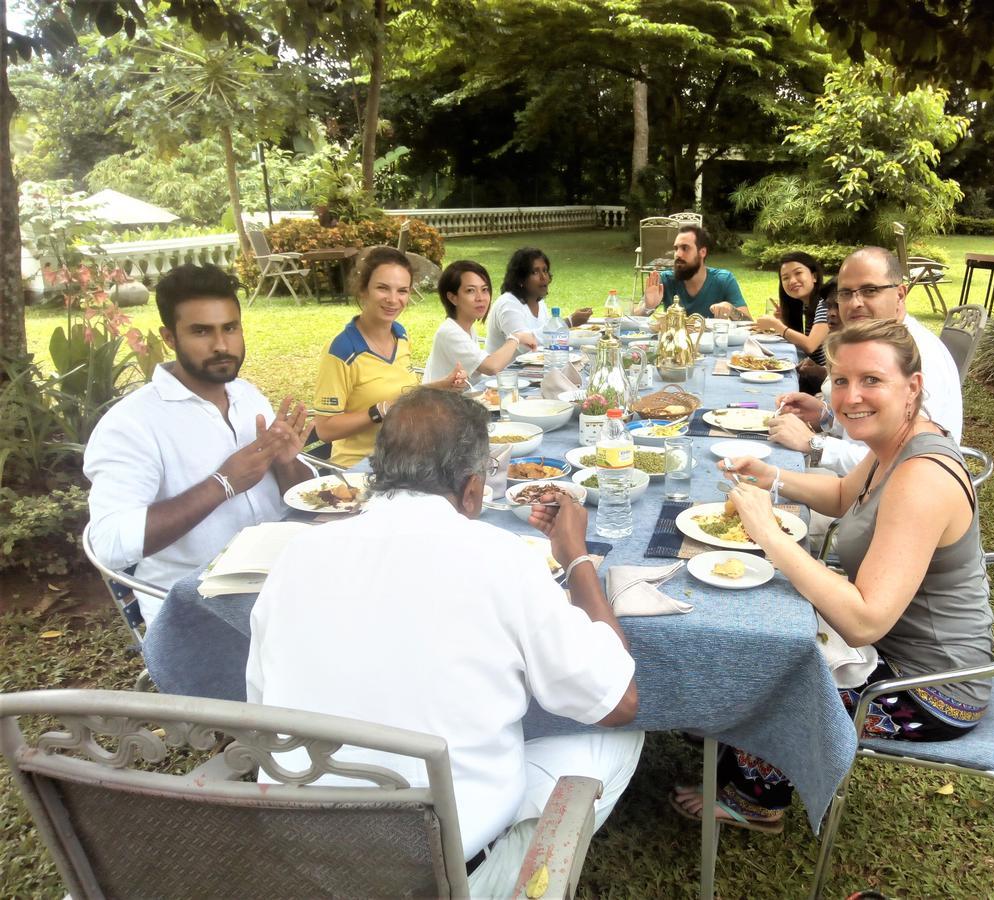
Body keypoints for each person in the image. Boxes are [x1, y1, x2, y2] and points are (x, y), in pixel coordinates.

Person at [246, 388, 643, 894]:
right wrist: (576, 557)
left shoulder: (296, 556)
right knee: (622, 738)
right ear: (474, 490)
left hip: (311, 861)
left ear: (376, 473)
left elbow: (261, 707)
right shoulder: (501, 558)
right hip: (445, 872)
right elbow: (619, 701)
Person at [672, 319, 992, 830]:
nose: (851, 396)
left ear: (913, 387)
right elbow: (845, 495)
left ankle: (759, 802)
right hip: (895, 653)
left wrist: (770, 534)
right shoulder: (898, 442)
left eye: (871, 380)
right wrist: (771, 475)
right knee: (760, 635)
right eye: (841, 381)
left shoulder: (922, 477)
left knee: (768, 677)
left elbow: (863, 622)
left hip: (930, 689)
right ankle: (722, 727)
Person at [83, 263, 312, 626]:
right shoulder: (131, 425)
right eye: (201, 331)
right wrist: (222, 484)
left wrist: (286, 462)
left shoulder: (247, 396)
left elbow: (302, 494)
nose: (221, 345)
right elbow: (110, 543)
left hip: (279, 582)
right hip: (197, 606)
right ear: (170, 338)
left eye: (230, 328)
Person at [768, 247, 963, 475]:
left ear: (900, 294)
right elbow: (873, 424)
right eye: (846, 293)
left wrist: (813, 444)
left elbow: (900, 461)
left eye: (870, 290)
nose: (855, 303)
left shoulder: (917, 356)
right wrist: (825, 416)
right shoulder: (876, 342)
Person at [313, 246, 466, 468]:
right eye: (383, 288)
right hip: (361, 467)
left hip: (405, 457)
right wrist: (378, 411)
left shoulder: (400, 335)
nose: (393, 299)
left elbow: (400, 396)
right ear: (363, 290)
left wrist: (441, 386)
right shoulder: (341, 351)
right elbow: (325, 429)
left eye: (402, 291)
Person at [422, 260, 537, 384]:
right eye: (470, 290)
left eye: (484, 289)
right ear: (452, 298)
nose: (480, 298)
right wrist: (516, 337)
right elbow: (492, 367)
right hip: (439, 402)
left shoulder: (468, 328)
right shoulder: (450, 332)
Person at [484, 247, 591, 352]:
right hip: (505, 369)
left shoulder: (538, 301)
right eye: (535, 272)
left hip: (534, 367)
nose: (543, 277)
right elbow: (525, 345)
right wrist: (568, 322)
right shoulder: (508, 304)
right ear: (520, 279)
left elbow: (548, 339)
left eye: (545, 271)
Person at [634, 224, 749, 320]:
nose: (677, 254)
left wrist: (732, 310)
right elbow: (634, 319)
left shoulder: (724, 280)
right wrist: (648, 307)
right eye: (676, 248)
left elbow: (748, 323)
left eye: (685, 248)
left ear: (702, 252)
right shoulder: (665, 280)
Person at [754, 251, 830, 363]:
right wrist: (783, 320)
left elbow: (810, 345)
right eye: (785, 278)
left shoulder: (825, 303)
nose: (792, 281)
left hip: (829, 377)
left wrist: (776, 325)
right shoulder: (806, 305)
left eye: (798, 273)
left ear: (814, 276)